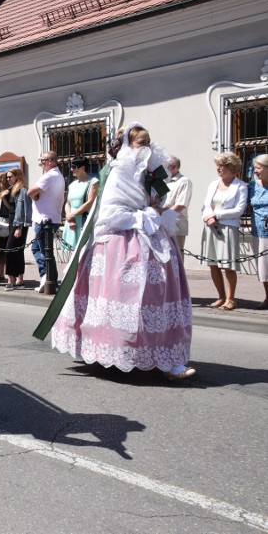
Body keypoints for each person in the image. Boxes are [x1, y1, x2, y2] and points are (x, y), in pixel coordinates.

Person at [42, 122, 195, 380]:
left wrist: (158, 208)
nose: (146, 148)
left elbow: (160, 200)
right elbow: (111, 213)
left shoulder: (155, 172)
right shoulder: (118, 171)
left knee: (157, 297)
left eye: (148, 142)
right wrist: (143, 215)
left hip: (154, 237)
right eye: (141, 143)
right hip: (122, 242)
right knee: (128, 296)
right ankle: (115, 351)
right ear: (127, 145)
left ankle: (165, 357)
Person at [200, 152, 248, 311]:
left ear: (231, 168)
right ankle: (220, 296)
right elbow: (207, 204)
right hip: (211, 226)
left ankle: (230, 299)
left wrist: (217, 215)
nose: (218, 168)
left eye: (222, 165)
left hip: (228, 227)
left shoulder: (240, 186)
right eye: (217, 165)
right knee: (213, 264)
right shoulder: (213, 184)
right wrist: (207, 216)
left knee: (228, 265)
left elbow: (239, 210)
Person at [28, 150, 65, 291]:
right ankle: (50, 279)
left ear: (51, 161)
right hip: (52, 218)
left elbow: (30, 191)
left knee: (42, 251)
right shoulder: (59, 175)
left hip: (44, 219)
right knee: (44, 251)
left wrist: (35, 197)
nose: (41, 163)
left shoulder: (49, 176)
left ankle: (47, 278)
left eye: (43, 161)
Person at [62, 156, 99, 252]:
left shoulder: (93, 182)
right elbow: (67, 203)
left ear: (82, 168)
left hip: (83, 220)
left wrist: (73, 215)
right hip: (71, 221)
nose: (71, 169)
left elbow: (90, 202)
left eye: (74, 167)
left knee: (83, 252)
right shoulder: (72, 185)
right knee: (72, 253)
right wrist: (70, 218)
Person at [4, 168, 31, 291]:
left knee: (10, 250)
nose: (8, 179)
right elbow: (12, 208)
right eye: (7, 177)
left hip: (18, 224)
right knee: (17, 251)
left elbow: (22, 210)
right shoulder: (12, 189)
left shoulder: (22, 190)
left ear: (17, 177)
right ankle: (19, 279)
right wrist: (4, 198)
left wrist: (19, 227)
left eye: (10, 177)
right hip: (13, 222)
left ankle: (11, 279)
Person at [249, 154, 268, 309]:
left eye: (259, 168)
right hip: (258, 231)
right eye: (255, 167)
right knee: (263, 267)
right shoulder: (253, 186)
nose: (255, 171)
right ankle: (267, 297)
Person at [163, 156, 192, 252]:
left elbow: (180, 205)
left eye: (165, 165)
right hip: (161, 224)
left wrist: (162, 215)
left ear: (173, 166)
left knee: (176, 257)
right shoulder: (164, 181)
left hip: (175, 226)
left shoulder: (184, 181)